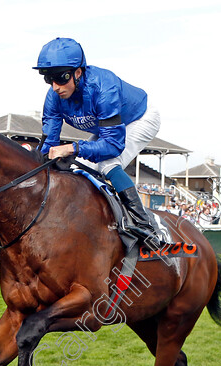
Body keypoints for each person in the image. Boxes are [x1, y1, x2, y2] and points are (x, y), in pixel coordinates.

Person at [33, 37, 161, 243]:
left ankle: (146, 229)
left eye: (61, 78)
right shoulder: (53, 97)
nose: (55, 87)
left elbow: (112, 145)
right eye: (49, 79)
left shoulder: (103, 87)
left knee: (108, 163)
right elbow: (48, 144)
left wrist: (71, 148)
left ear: (78, 72)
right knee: (76, 169)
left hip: (141, 118)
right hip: (110, 128)